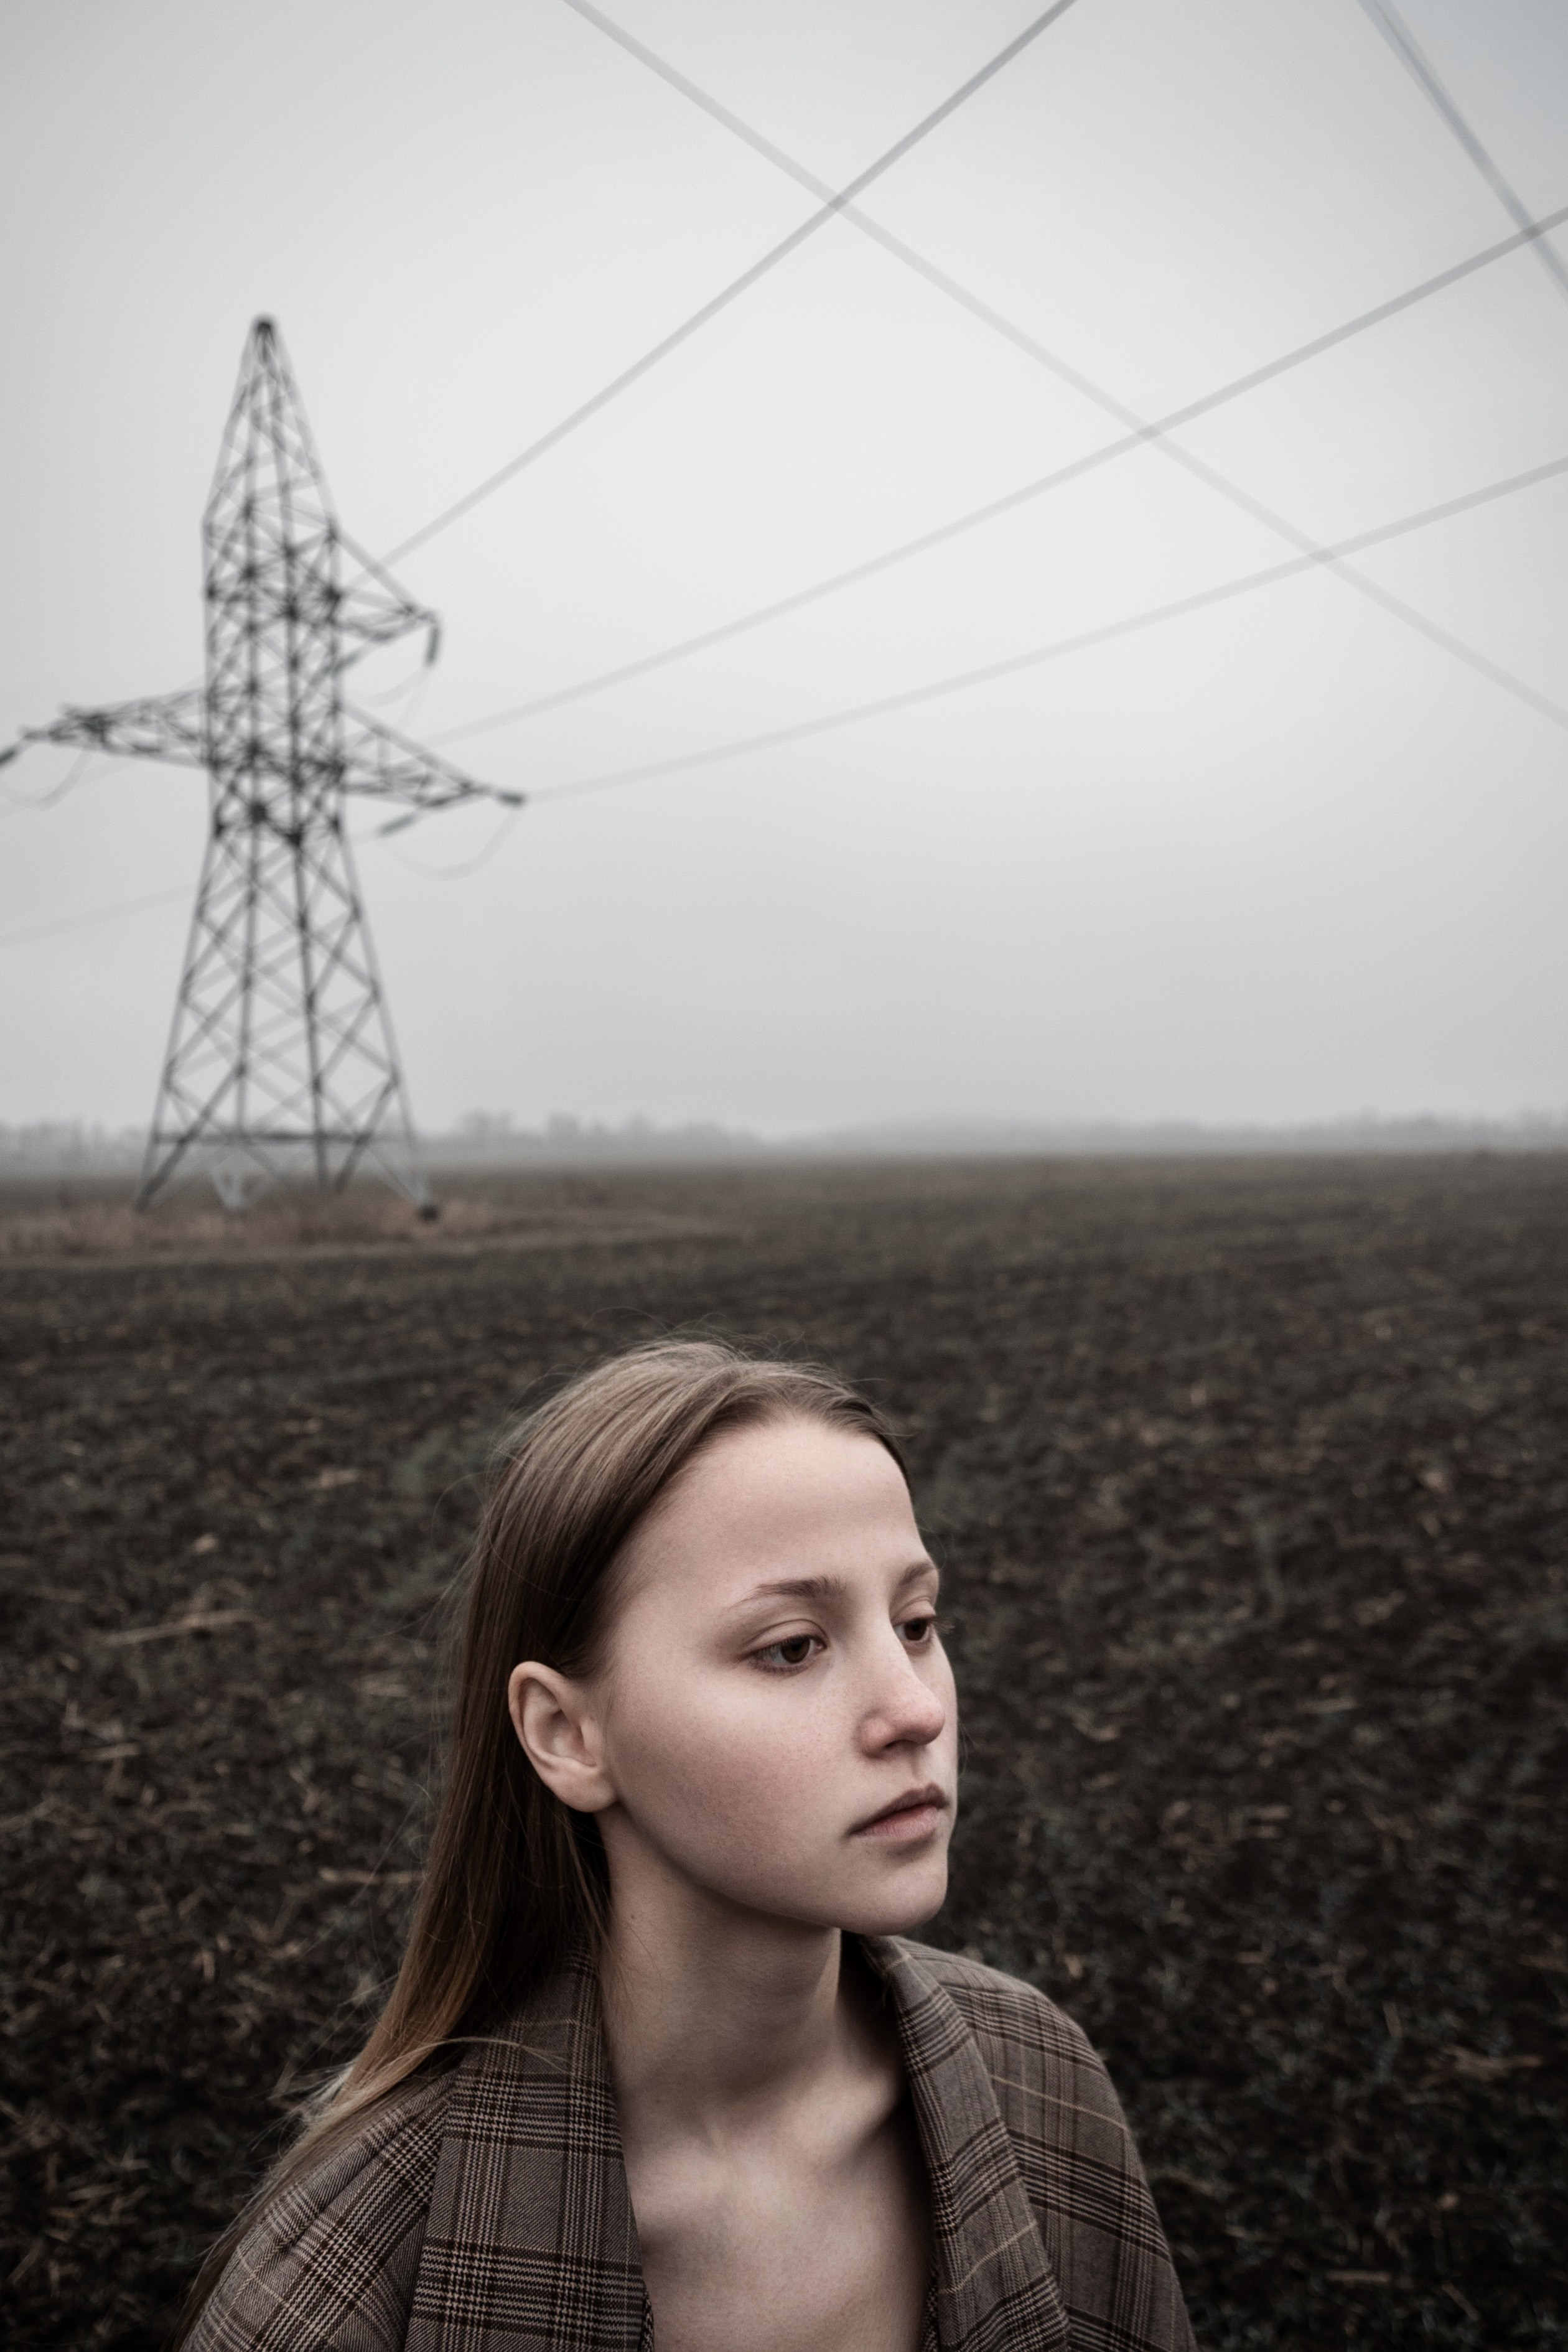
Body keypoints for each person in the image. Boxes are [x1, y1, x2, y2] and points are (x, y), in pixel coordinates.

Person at [180, 1339, 1195, 2351]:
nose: (912, 1708)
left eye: (918, 1622)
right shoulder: (351, 2277)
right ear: (566, 1735)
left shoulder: (1041, 2083)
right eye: (791, 1647)